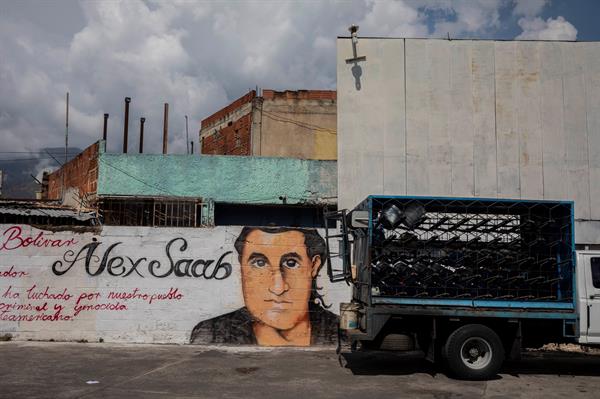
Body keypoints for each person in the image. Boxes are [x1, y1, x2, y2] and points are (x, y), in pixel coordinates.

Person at [190, 226, 338, 346]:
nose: (278, 287)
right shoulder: (211, 334)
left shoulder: (341, 334)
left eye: (291, 263)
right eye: (259, 263)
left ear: (314, 266)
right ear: (241, 267)